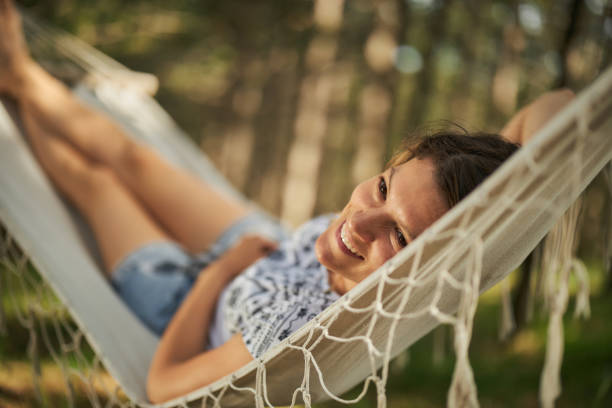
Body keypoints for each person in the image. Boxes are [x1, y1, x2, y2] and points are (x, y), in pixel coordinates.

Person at [0, 0, 574, 403]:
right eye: (381, 188)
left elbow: (162, 385)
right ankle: (21, 75)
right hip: (267, 243)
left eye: (397, 236)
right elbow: (560, 104)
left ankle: (11, 100)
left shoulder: (297, 331)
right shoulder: (411, 216)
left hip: (184, 296)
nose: (358, 224)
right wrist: (527, 186)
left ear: (427, 267)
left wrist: (222, 271)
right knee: (135, 159)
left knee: (97, 184)